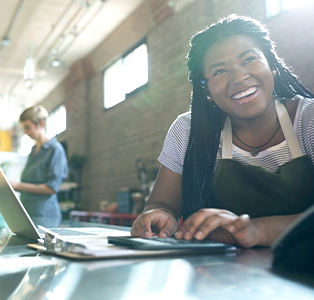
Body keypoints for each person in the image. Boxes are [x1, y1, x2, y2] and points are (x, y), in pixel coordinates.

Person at [131, 14, 314, 248]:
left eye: (249, 59)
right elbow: (162, 204)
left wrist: (256, 231)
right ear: (205, 89)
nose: (239, 77)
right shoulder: (189, 132)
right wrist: (159, 215)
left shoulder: (308, 119)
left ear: (272, 65)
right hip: (219, 276)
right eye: (219, 71)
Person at [9, 105, 68, 228]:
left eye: (28, 127)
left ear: (41, 124)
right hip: (28, 213)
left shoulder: (55, 150)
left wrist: (17, 186)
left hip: (45, 216)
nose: (25, 132)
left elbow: (52, 188)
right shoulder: (33, 151)